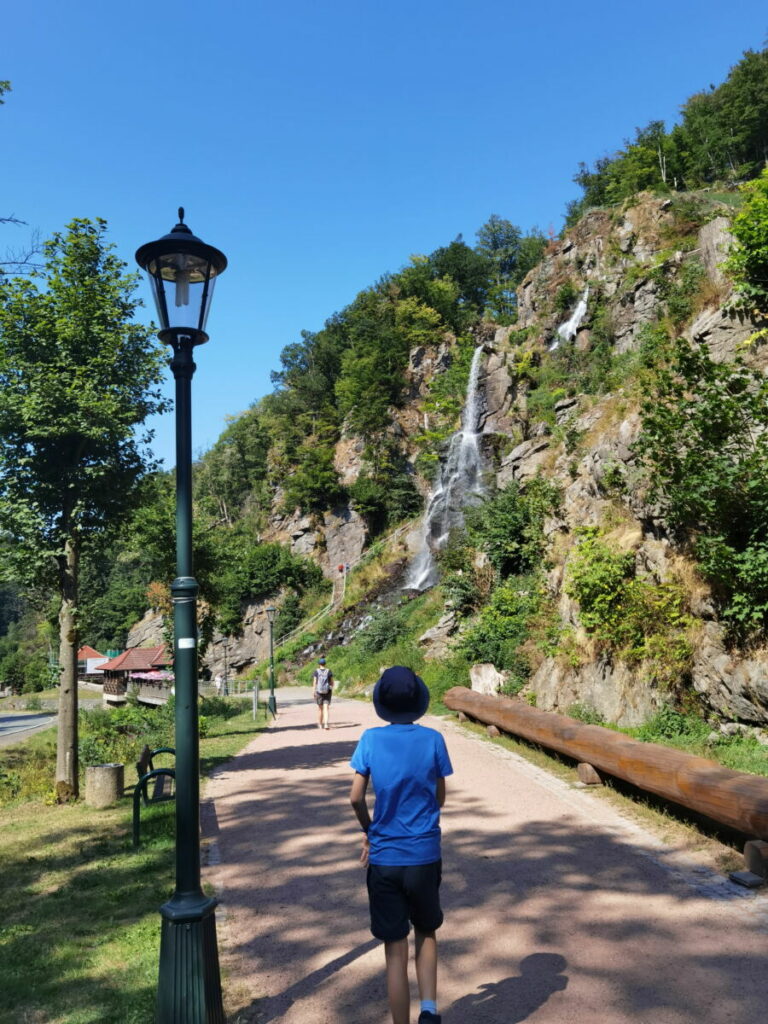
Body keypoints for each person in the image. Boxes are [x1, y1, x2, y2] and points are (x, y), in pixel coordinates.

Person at [349, 666, 453, 1024]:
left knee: (395, 950)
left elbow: (355, 798)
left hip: (385, 857)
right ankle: (429, 1010)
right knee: (427, 932)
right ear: (418, 701)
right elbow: (439, 796)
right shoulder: (433, 739)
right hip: (424, 855)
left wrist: (371, 830)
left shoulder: (370, 740)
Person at [312, 656, 333, 729]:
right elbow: (332, 683)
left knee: (320, 709)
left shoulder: (316, 671)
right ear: (325, 664)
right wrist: (330, 687)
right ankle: (326, 724)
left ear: (319, 664)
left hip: (319, 692)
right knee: (326, 708)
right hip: (327, 691)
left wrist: (313, 691)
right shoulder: (328, 671)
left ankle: (320, 724)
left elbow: (315, 682)